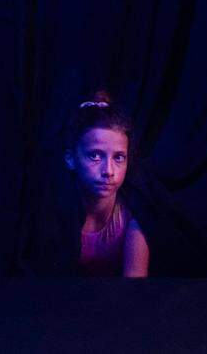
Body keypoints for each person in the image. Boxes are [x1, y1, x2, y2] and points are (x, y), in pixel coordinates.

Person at [63, 92, 150, 277]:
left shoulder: (133, 218)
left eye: (119, 157)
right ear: (70, 159)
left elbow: (135, 287)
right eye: (95, 155)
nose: (109, 171)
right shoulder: (51, 213)